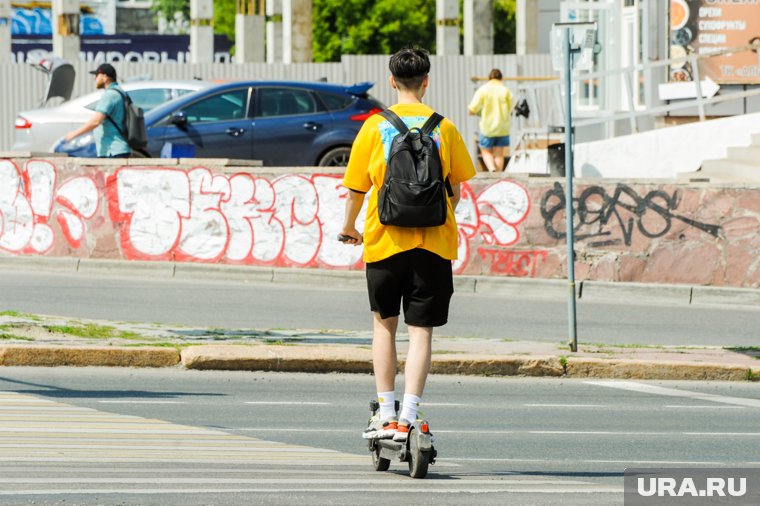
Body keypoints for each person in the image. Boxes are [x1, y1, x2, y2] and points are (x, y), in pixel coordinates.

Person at [340, 47, 476, 442]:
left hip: (384, 242)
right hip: (434, 246)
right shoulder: (444, 127)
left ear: (392, 81)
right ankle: (409, 416)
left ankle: (385, 413)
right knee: (421, 332)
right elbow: (455, 193)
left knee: (384, 326)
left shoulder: (373, 126)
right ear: (427, 81)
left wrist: (350, 229)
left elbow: (355, 189)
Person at [64, 63, 131, 158]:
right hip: (116, 149)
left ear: (105, 77)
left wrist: (74, 134)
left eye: (96, 75)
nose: (94, 78)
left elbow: (96, 121)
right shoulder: (120, 92)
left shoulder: (110, 95)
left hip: (112, 150)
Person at [468, 68, 513, 172]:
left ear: (489, 78)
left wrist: (478, 112)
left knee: (485, 150)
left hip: (487, 127)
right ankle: (498, 174)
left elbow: (472, 109)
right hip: (503, 127)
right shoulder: (505, 90)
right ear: (501, 78)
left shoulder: (483, 89)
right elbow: (511, 107)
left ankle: (492, 168)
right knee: (499, 152)